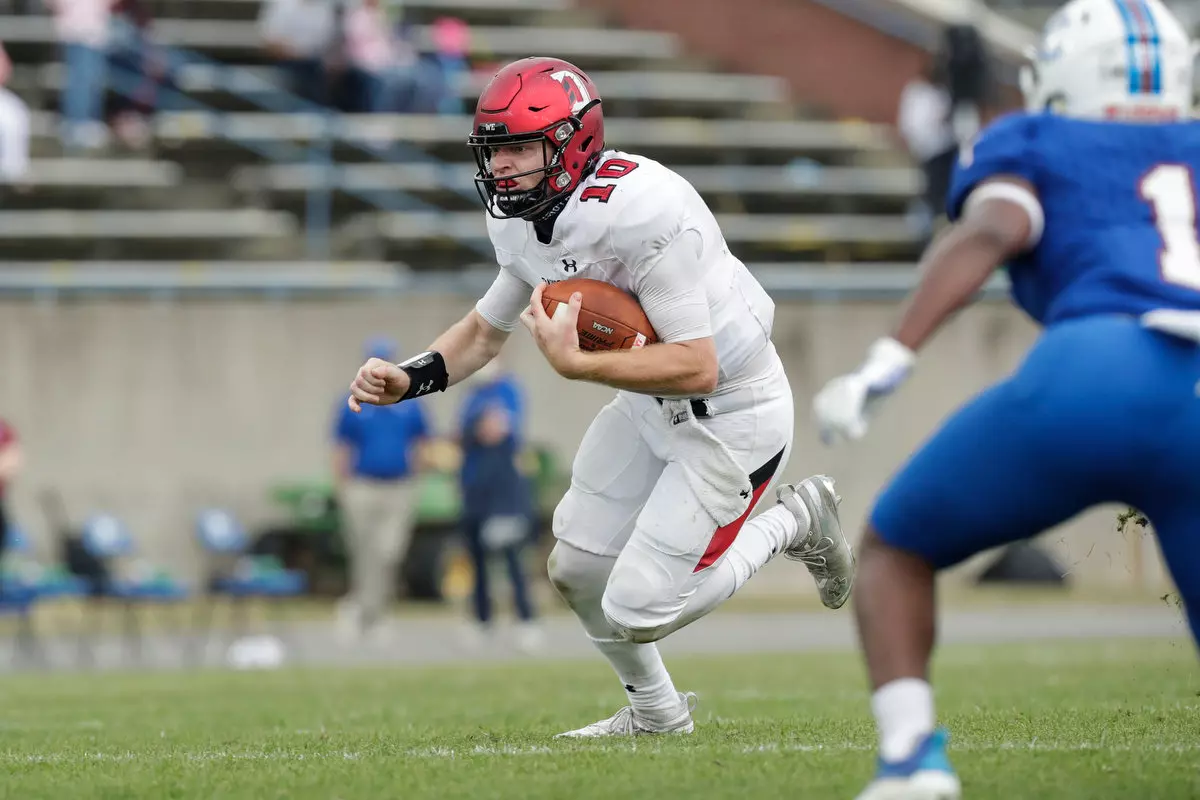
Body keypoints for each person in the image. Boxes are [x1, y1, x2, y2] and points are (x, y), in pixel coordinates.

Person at [347, 56, 856, 737]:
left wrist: (580, 367)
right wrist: (409, 380)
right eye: (494, 150)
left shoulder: (646, 211)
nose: (502, 167)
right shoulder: (526, 219)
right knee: (577, 570)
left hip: (734, 412)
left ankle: (796, 520)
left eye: (521, 147)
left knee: (640, 606)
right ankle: (657, 715)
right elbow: (483, 331)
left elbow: (699, 366)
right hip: (651, 407)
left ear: (573, 141)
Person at [811, 1, 1200, 796]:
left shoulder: (1036, 139)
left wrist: (890, 357)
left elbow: (993, 229)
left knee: (894, 549)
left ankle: (912, 761)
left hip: (1098, 368)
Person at [333, 336, 432, 643]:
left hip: (398, 486)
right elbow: (341, 447)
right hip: (363, 485)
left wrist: (417, 476)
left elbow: (422, 442)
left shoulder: (408, 403)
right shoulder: (352, 400)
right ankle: (366, 612)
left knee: (389, 551)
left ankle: (370, 609)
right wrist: (343, 486)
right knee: (363, 552)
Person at [457, 359, 541, 650]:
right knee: (477, 563)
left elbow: (503, 429)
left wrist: (488, 426)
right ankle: (482, 621)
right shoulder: (470, 394)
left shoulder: (509, 390)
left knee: (514, 561)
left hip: (505, 495)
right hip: (474, 492)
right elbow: (467, 432)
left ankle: (526, 621)